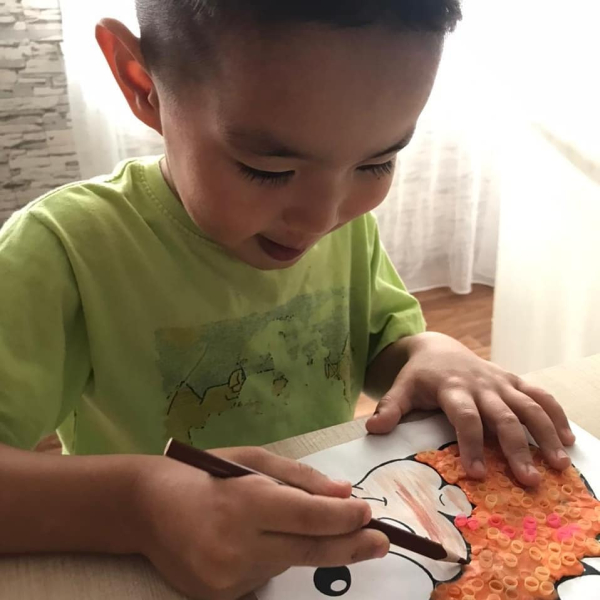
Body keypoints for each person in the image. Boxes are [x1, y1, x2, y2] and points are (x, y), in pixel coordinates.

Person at [0, 2, 576, 599]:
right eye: (267, 169)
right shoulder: (65, 251)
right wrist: (139, 505)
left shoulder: (338, 225)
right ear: (141, 82)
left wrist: (432, 353)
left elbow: (382, 344)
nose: (322, 218)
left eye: (377, 162)